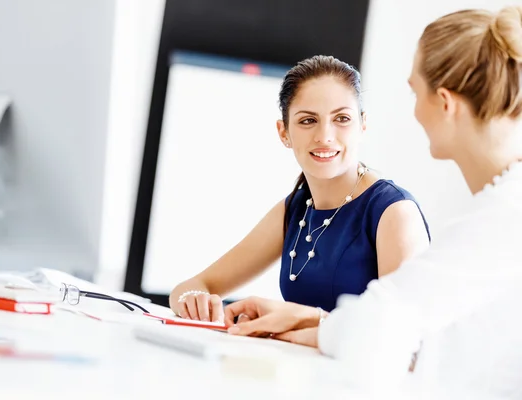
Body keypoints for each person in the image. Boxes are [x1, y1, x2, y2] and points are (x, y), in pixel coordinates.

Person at [223, 5, 522, 397]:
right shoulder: (499, 211)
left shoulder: (501, 219)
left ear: (445, 103)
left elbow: (385, 329)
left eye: (415, 92)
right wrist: (310, 320)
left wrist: (308, 321)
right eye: (308, 120)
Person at [170, 55, 431, 323]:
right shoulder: (296, 209)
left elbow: (405, 335)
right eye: (308, 121)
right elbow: (191, 287)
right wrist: (193, 301)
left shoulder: (394, 213)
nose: (325, 136)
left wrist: (296, 320)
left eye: (341, 118)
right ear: (284, 133)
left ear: (362, 125)